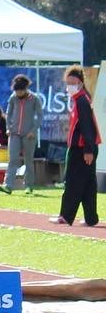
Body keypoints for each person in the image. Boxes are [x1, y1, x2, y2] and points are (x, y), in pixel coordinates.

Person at [55, 66, 100, 227]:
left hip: (82, 148)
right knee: (88, 184)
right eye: (67, 83)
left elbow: (88, 127)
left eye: (72, 83)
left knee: (73, 181)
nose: (69, 87)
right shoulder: (81, 99)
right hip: (85, 147)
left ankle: (66, 216)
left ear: (80, 83)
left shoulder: (82, 100)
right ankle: (91, 218)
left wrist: (88, 150)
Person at [2, 74, 42, 195]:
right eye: (16, 91)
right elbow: (8, 114)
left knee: (28, 160)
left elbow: (40, 116)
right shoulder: (13, 98)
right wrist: (8, 128)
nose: (18, 93)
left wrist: (33, 130)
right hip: (14, 134)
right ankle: (8, 185)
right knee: (12, 159)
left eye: (20, 90)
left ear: (25, 89)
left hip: (29, 134)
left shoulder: (35, 98)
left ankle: (29, 186)